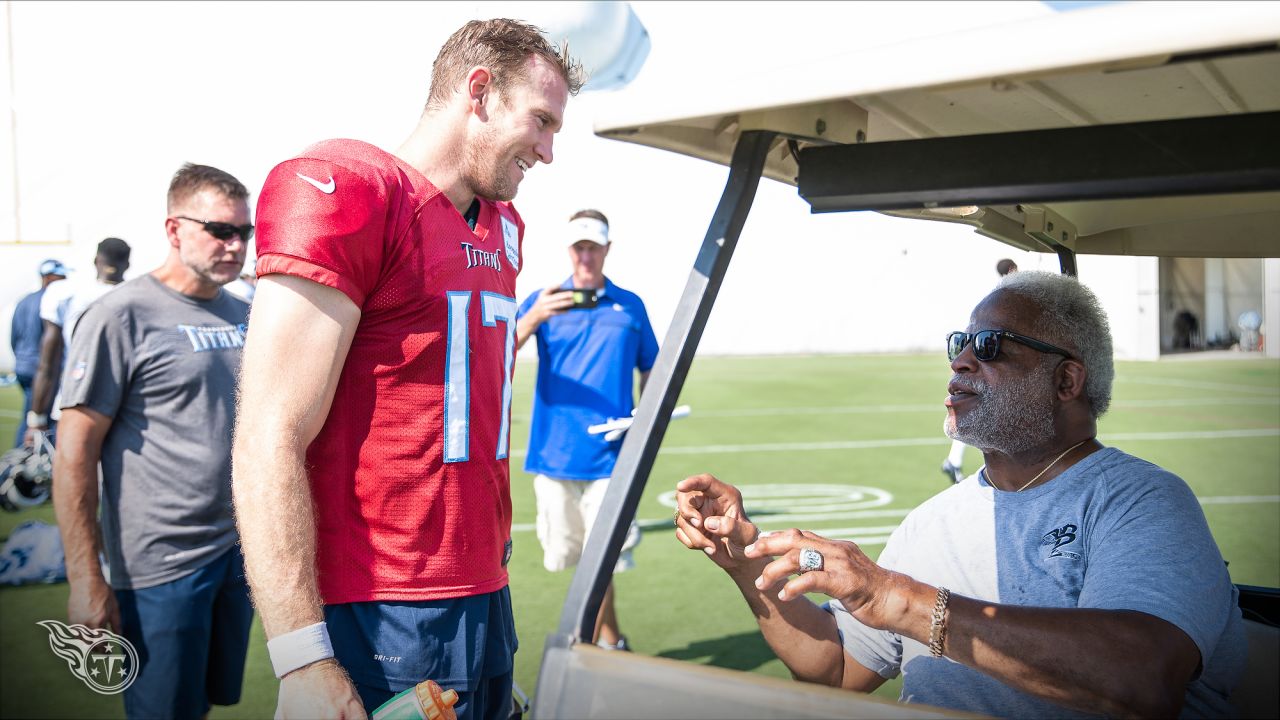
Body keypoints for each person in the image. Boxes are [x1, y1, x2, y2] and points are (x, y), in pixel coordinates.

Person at [675, 270, 1244, 718]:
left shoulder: (1141, 502)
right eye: (960, 342)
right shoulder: (930, 523)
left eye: (992, 345)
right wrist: (745, 562)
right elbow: (837, 671)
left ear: (1067, 381)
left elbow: (1142, 679)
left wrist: (898, 598)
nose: (961, 360)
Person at [231, 19, 581, 720]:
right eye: (540, 121)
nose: (547, 151)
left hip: (483, 588)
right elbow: (268, 432)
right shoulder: (353, 188)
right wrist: (300, 655)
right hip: (385, 601)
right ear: (478, 93)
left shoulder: (504, 226)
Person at [51, 164, 254, 720]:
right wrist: (86, 578)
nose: (234, 246)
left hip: (237, 553)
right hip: (161, 564)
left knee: (207, 703)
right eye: (220, 230)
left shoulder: (245, 313)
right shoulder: (120, 316)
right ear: (174, 229)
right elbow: (74, 455)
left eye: (244, 233)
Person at [514, 209, 659, 651]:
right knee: (577, 561)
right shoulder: (545, 301)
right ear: (569, 251)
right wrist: (534, 317)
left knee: (601, 562)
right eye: (579, 247)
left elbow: (651, 368)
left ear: (606, 249)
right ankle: (614, 640)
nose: (586, 256)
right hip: (555, 456)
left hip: (613, 458)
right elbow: (496, 353)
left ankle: (588, 649)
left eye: (593, 247)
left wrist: (644, 420)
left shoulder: (630, 305)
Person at [24, 238, 131, 446]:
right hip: (123, 409)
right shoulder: (139, 296)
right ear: (127, 264)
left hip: (75, 402)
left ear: (96, 260)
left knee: (71, 475)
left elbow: (48, 362)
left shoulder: (67, 293)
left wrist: (36, 418)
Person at [940, 257, 1020, 483]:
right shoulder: (1005, 298)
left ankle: (953, 461)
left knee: (972, 411)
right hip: (990, 365)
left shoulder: (998, 296)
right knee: (975, 410)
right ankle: (954, 461)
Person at [8, 259, 67, 447]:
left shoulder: (25, 300)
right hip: (41, 370)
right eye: (61, 276)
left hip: (24, 366)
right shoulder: (50, 301)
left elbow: (14, 337)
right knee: (37, 420)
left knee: (32, 416)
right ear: (49, 277)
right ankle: (23, 465)